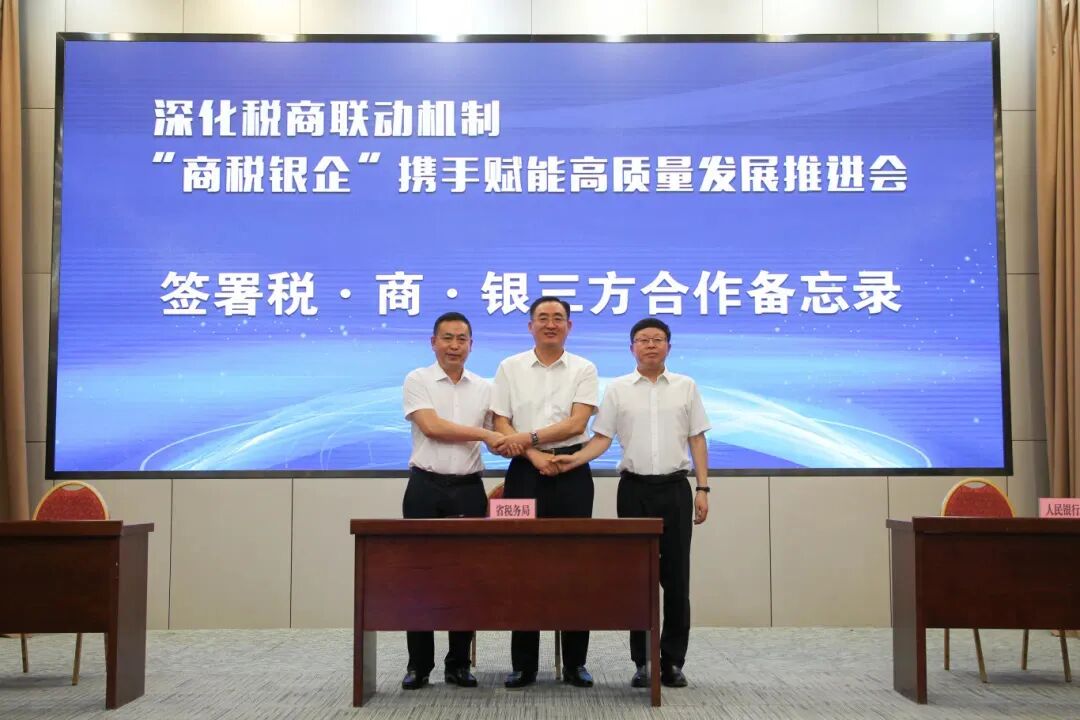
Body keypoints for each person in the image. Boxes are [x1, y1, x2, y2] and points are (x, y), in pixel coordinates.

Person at [554, 317, 710, 689]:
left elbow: (697, 438)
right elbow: (601, 439)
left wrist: (703, 488)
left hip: (675, 489)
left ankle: (672, 662)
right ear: (632, 348)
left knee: (677, 581)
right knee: (639, 580)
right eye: (643, 339)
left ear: (668, 346)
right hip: (634, 490)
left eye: (657, 339)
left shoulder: (686, 386)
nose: (650, 345)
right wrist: (572, 460)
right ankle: (643, 662)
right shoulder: (618, 389)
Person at [491, 296, 599, 689]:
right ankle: (524, 664)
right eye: (542, 318)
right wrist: (533, 454)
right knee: (522, 565)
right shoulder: (510, 367)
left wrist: (530, 439)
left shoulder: (584, 368)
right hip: (524, 473)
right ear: (530, 325)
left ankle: (575, 662)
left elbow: (576, 424)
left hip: (572, 469)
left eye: (558, 318)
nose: (550, 324)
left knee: (575, 566)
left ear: (569, 325)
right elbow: (500, 422)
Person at [400, 311, 505, 690]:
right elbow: (432, 427)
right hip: (425, 488)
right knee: (421, 577)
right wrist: (486, 435)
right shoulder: (418, 379)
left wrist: (528, 447)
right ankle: (419, 665)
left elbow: (501, 436)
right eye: (447, 338)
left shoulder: (486, 388)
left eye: (462, 339)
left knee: (466, 577)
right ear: (433, 342)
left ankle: (459, 663)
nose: (454, 346)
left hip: (467, 489)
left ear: (471, 345)